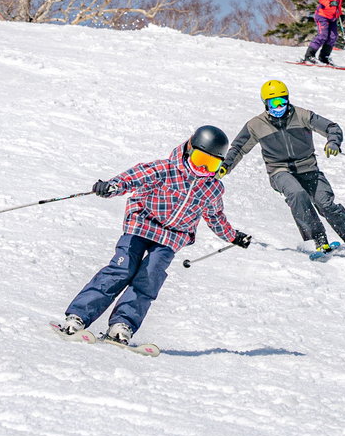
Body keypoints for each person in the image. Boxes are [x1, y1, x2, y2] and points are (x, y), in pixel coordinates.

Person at [57, 125, 251, 346]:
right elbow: (134, 177)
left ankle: (122, 325)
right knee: (121, 269)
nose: (203, 168)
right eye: (199, 159)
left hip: (172, 238)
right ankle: (78, 317)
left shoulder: (212, 188)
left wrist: (233, 236)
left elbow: (215, 216)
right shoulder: (165, 169)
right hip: (141, 224)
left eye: (212, 164)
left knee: (149, 278)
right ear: (189, 149)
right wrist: (112, 186)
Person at [219, 80, 345, 261]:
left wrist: (333, 142)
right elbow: (238, 148)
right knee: (297, 194)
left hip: (308, 168)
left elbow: (332, 127)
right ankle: (318, 240)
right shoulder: (256, 125)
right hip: (279, 171)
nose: (279, 107)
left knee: (326, 203)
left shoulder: (302, 115)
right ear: (265, 104)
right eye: (273, 103)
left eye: (283, 101)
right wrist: (225, 166)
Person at [301, 0, 345, 65]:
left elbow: (339, 3)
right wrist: (329, 3)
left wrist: (340, 14)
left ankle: (324, 57)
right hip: (323, 14)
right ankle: (309, 56)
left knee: (333, 36)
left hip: (333, 16)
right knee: (323, 35)